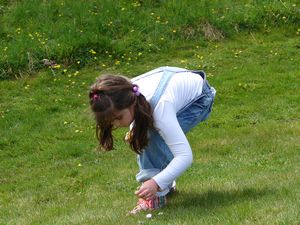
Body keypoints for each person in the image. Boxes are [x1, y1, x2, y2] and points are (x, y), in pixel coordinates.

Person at [89, 66, 216, 214]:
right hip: (176, 89)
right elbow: (140, 113)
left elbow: (185, 156)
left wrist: (155, 182)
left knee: (150, 138)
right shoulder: (124, 95)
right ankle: (164, 186)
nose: (116, 124)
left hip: (200, 99)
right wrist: (133, 130)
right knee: (144, 134)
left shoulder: (160, 109)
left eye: (118, 118)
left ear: (131, 104)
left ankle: (155, 195)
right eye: (109, 121)